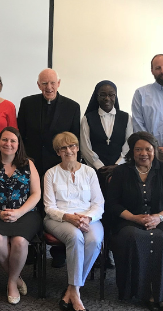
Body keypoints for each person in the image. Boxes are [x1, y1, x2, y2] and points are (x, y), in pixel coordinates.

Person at [106, 132, 163, 311]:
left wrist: (159, 217)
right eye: (138, 149)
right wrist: (133, 217)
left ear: (154, 150)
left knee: (162, 239)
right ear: (131, 152)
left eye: (148, 149)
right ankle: (144, 293)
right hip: (128, 221)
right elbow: (112, 203)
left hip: (160, 220)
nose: (143, 154)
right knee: (134, 236)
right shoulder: (121, 172)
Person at [17, 68, 80, 268]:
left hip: (59, 167)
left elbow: (73, 140)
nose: (49, 87)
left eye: (52, 83)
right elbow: (21, 136)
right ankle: (32, 250)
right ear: (38, 85)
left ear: (59, 83)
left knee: (60, 206)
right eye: (44, 83)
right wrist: (25, 163)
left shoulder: (72, 106)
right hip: (33, 166)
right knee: (33, 208)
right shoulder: (27, 103)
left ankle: (59, 252)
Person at [0, 127, 41, 305]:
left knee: (19, 242)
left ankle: (12, 282)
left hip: (26, 213)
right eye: (5, 140)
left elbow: (36, 194)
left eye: (13, 140)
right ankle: (17, 277)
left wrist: (20, 212)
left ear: (18, 144)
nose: (8, 144)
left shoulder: (28, 164)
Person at [43, 132, 105, 311]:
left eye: (72, 146)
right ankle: (76, 296)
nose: (68, 150)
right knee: (76, 237)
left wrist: (88, 217)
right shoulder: (50, 174)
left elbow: (98, 203)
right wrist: (68, 217)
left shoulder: (89, 172)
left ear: (77, 148)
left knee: (94, 240)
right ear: (58, 152)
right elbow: (49, 207)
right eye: (63, 148)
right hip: (59, 219)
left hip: (88, 218)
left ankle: (73, 289)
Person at [80, 80, 132, 171]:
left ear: (115, 96)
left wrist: (118, 164)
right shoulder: (87, 119)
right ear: (97, 96)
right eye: (102, 95)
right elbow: (85, 147)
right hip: (94, 170)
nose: (107, 98)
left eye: (111, 95)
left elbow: (128, 144)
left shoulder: (126, 118)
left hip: (120, 169)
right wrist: (99, 166)